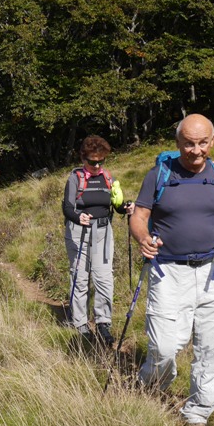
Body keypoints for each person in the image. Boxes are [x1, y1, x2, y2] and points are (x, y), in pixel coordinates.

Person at [130, 114, 214, 426]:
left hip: (212, 272)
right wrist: (143, 238)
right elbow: (140, 215)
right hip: (168, 272)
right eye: (189, 143)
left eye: (203, 143)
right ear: (178, 143)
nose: (196, 150)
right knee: (164, 347)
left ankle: (197, 414)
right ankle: (151, 384)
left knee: (213, 349)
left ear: (213, 141)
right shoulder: (159, 174)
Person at [63, 136, 134, 348]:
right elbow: (67, 207)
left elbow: (115, 204)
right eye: (92, 161)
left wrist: (125, 208)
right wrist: (78, 217)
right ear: (83, 158)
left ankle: (103, 323)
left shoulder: (107, 177)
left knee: (104, 278)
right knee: (80, 277)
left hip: (103, 232)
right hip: (79, 232)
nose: (96, 166)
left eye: (100, 161)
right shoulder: (75, 178)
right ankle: (81, 324)